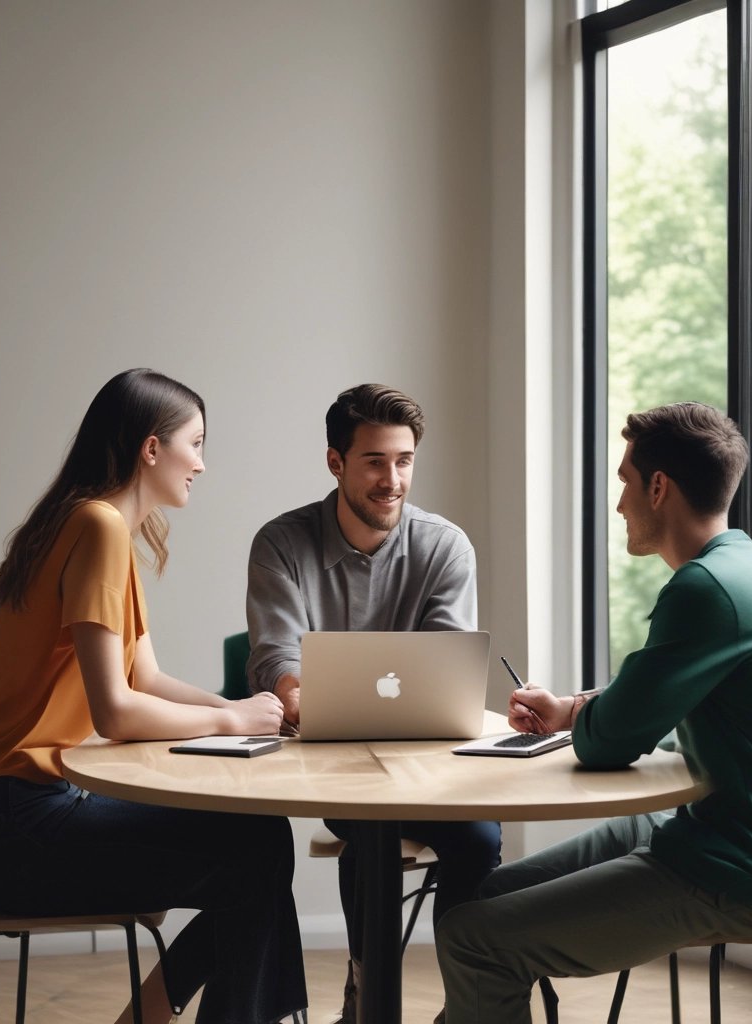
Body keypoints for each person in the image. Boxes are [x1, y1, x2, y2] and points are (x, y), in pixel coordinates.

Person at [436, 402, 752, 1024]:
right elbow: (653, 694)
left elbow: (609, 746)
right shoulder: (745, 565)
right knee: (490, 897)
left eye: (625, 481)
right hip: (734, 832)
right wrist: (572, 708)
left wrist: (589, 721)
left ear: (659, 487)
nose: (621, 503)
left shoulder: (707, 590)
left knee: (474, 938)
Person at [0, 369, 307, 1024]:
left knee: (257, 847)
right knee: (258, 850)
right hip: (17, 829)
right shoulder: (100, 528)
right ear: (152, 448)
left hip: (7, 814)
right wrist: (231, 720)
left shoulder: (97, 524)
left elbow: (145, 678)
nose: (201, 463)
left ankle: (152, 1014)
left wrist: (245, 717)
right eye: (195, 443)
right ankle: (158, 1013)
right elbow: (116, 713)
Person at [246, 383, 502, 1021]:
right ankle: (367, 995)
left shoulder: (445, 545)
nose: (394, 479)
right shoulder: (281, 543)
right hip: (334, 767)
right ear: (336, 462)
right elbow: (275, 657)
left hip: (429, 768)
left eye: (405, 460)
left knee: (478, 838)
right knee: (369, 831)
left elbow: (447, 668)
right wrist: (299, 693)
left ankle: (466, 1002)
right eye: (375, 462)